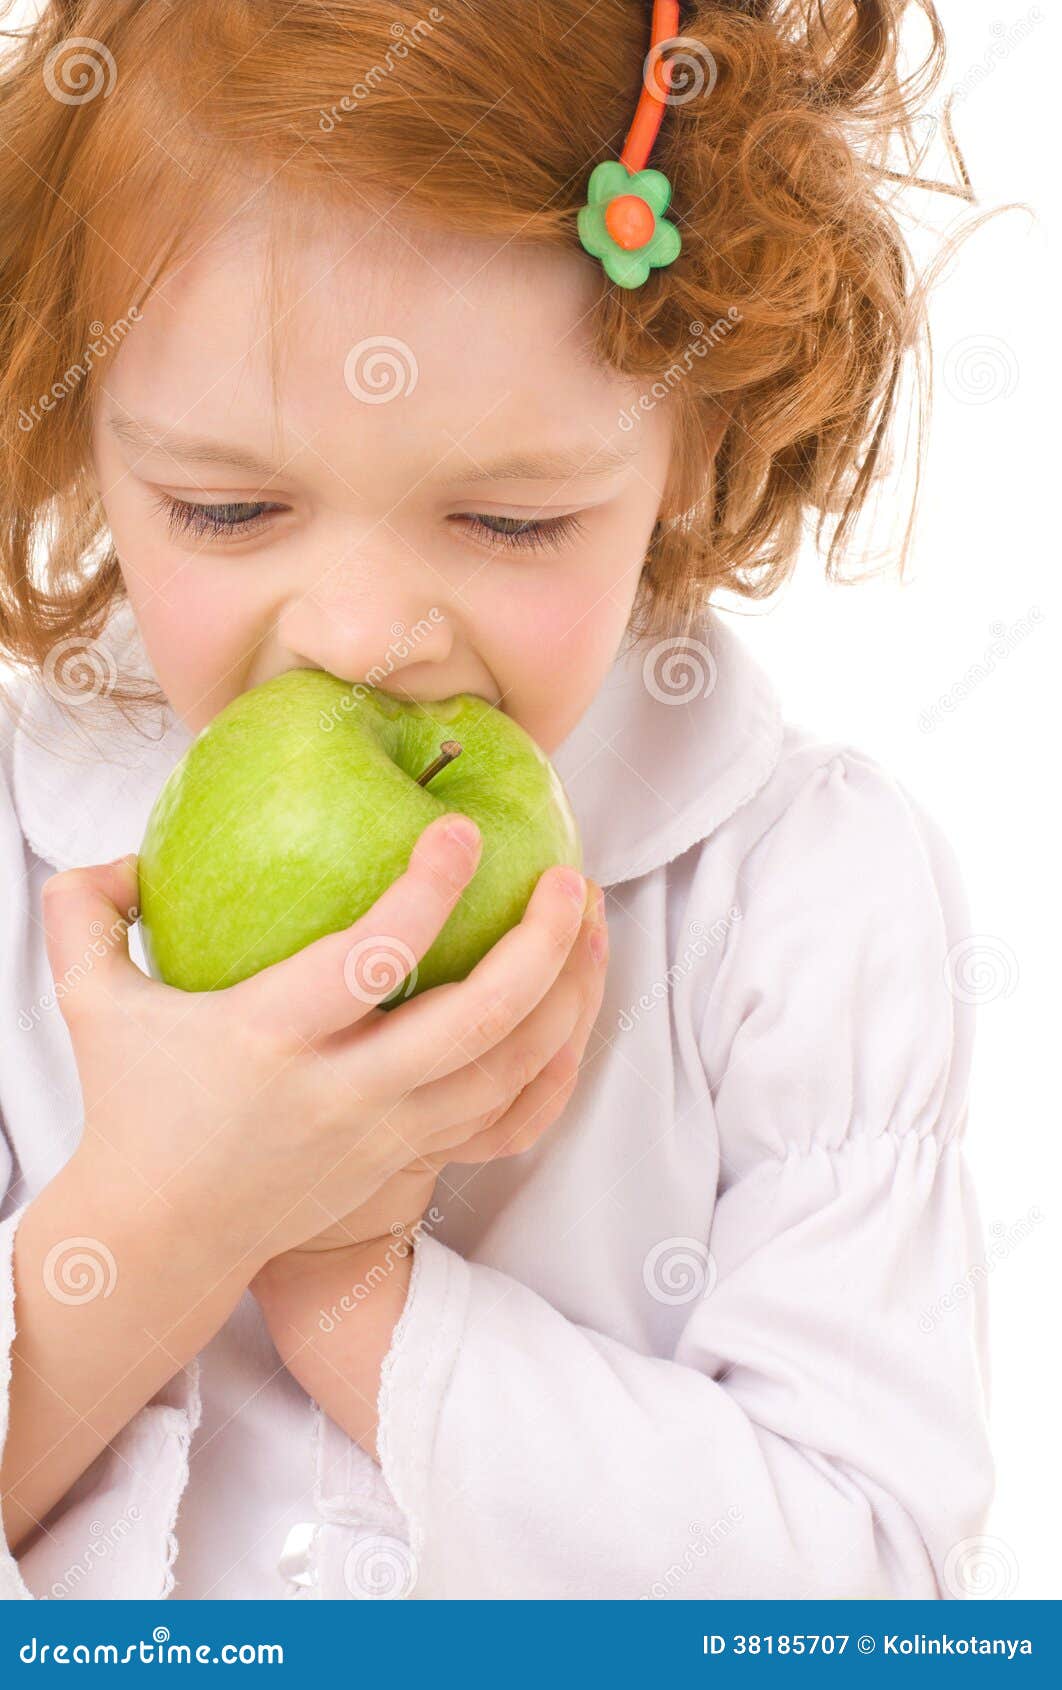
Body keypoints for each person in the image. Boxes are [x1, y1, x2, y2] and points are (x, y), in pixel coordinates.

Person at [0, 0, 992, 1599]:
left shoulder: (802, 901)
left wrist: (350, 1283)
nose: (363, 637)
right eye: (230, 506)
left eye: (512, 520)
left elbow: (866, 1595)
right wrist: (174, 1208)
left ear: (694, 438)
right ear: (80, 436)